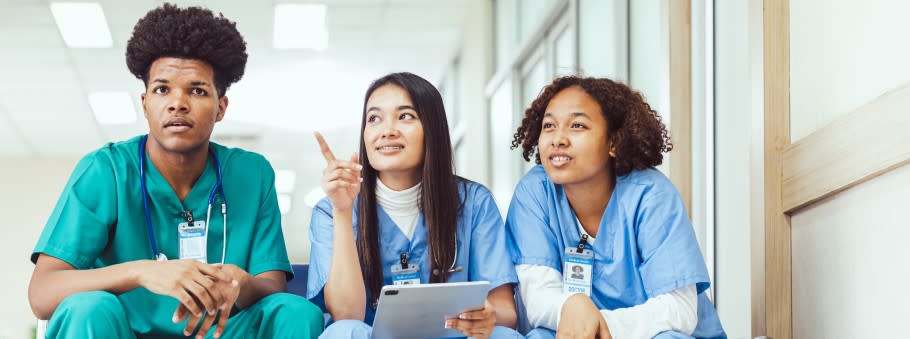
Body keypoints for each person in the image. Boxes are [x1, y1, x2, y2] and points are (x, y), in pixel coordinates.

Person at [27, 4, 323, 338]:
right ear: (145, 103)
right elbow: (42, 293)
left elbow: (272, 287)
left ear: (221, 107)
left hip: (220, 332)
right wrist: (141, 272)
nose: (178, 103)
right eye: (162, 89)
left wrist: (240, 284)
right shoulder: (106, 171)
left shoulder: (251, 175)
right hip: (124, 332)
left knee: (297, 312)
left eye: (197, 90)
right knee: (87, 308)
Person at [506, 76, 727, 339]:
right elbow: (537, 296)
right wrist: (570, 309)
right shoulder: (535, 192)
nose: (558, 139)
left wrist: (596, 325)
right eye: (549, 126)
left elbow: (679, 309)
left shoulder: (650, 195)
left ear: (613, 141)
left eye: (577, 125)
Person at [307, 72, 523, 339]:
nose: (387, 130)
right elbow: (345, 315)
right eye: (374, 119)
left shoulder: (473, 202)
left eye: (405, 116)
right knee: (343, 332)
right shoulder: (330, 211)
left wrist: (487, 316)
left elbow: (505, 311)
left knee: (503, 337)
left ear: (432, 128)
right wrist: (342, 210)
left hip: (454, 337)